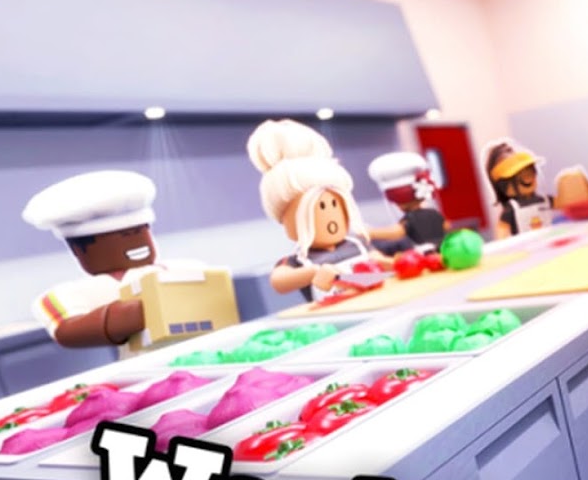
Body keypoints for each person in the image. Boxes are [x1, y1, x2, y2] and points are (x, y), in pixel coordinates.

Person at [22, 170, 205, 356]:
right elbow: (65, 330)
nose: (134, 241)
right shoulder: (83, 292)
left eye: (139, 232)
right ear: (78, 250)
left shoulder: (184, 269)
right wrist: (121, 317)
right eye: (124, 236)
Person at [248, 119, 391, 302]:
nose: (330, 216)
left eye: (335, 204)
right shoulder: (299, 260)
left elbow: (378, 260)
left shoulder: (357, 244)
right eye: (320, 207)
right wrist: (312, 273)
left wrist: (390, 263)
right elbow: (279, 281)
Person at [366, 151, 450, 254]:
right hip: (443, 251)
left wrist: (371, 232)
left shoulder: (410, 219)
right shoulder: (434, 213)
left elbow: (397, 232)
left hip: (425, 255)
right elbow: (446, 225)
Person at [484, 140, 554, 238]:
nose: (528, 178)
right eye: (519, 177)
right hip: (526, 245)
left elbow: (564, 201)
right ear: (503, 186)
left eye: (530, 172)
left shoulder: (544, 200)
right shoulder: (511, 209)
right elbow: (502, 231)